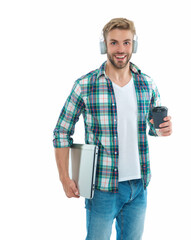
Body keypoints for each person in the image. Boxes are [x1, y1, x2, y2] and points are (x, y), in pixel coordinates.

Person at [53, 17, 172, 240]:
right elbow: (61, 132)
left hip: (139, 187)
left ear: (133, 45)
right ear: (104, 46)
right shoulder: (85, 85)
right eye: (114, 43)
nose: (120, 49)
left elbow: (151, 127)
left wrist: (162, 129)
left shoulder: (147, 84)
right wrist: (64, 178)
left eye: (126, 42)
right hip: (102, 188)